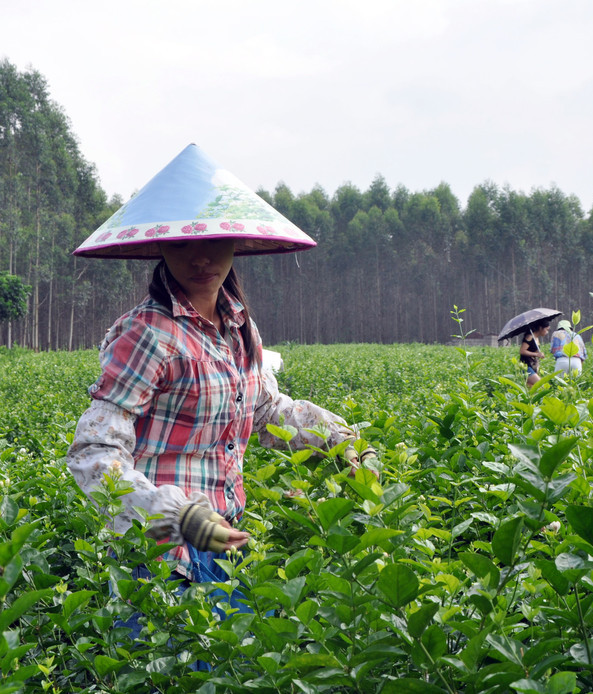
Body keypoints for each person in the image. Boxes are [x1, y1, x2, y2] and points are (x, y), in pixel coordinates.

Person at [66, 144, 377, 640]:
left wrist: (340, 440)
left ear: (236, 242)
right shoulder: (149, 333)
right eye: (184, 245)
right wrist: (179, 516)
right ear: (161, 249)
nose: (202, 258)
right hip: (162, 559)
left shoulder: (237, 325)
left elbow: (263, 408)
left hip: (226, 543)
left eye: (214, 241)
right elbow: (94, 452)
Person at [519, 319, 551, 388]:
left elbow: (533, 352)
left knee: (531, 388)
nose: (547, 332)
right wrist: (536, 354)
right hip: (526, 366)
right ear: (540, 328)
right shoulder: (530, 337)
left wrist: (539, 354)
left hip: (533, 366)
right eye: (546, 329)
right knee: (541, 385)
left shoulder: (536, 338)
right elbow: (522, 351)